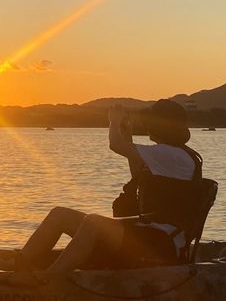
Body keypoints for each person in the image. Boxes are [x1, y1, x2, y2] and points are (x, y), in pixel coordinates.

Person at [18, 99, 205, 272]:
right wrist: (128, 135)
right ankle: (18, 264)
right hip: (150, 235)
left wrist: (113, 120)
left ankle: (51, 278)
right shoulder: (170, 154)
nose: (147, 125)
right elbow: (138, 175)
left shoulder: (171, 154)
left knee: (94, 223)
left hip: (162, 243)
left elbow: (116, 145)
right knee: (60, 215)